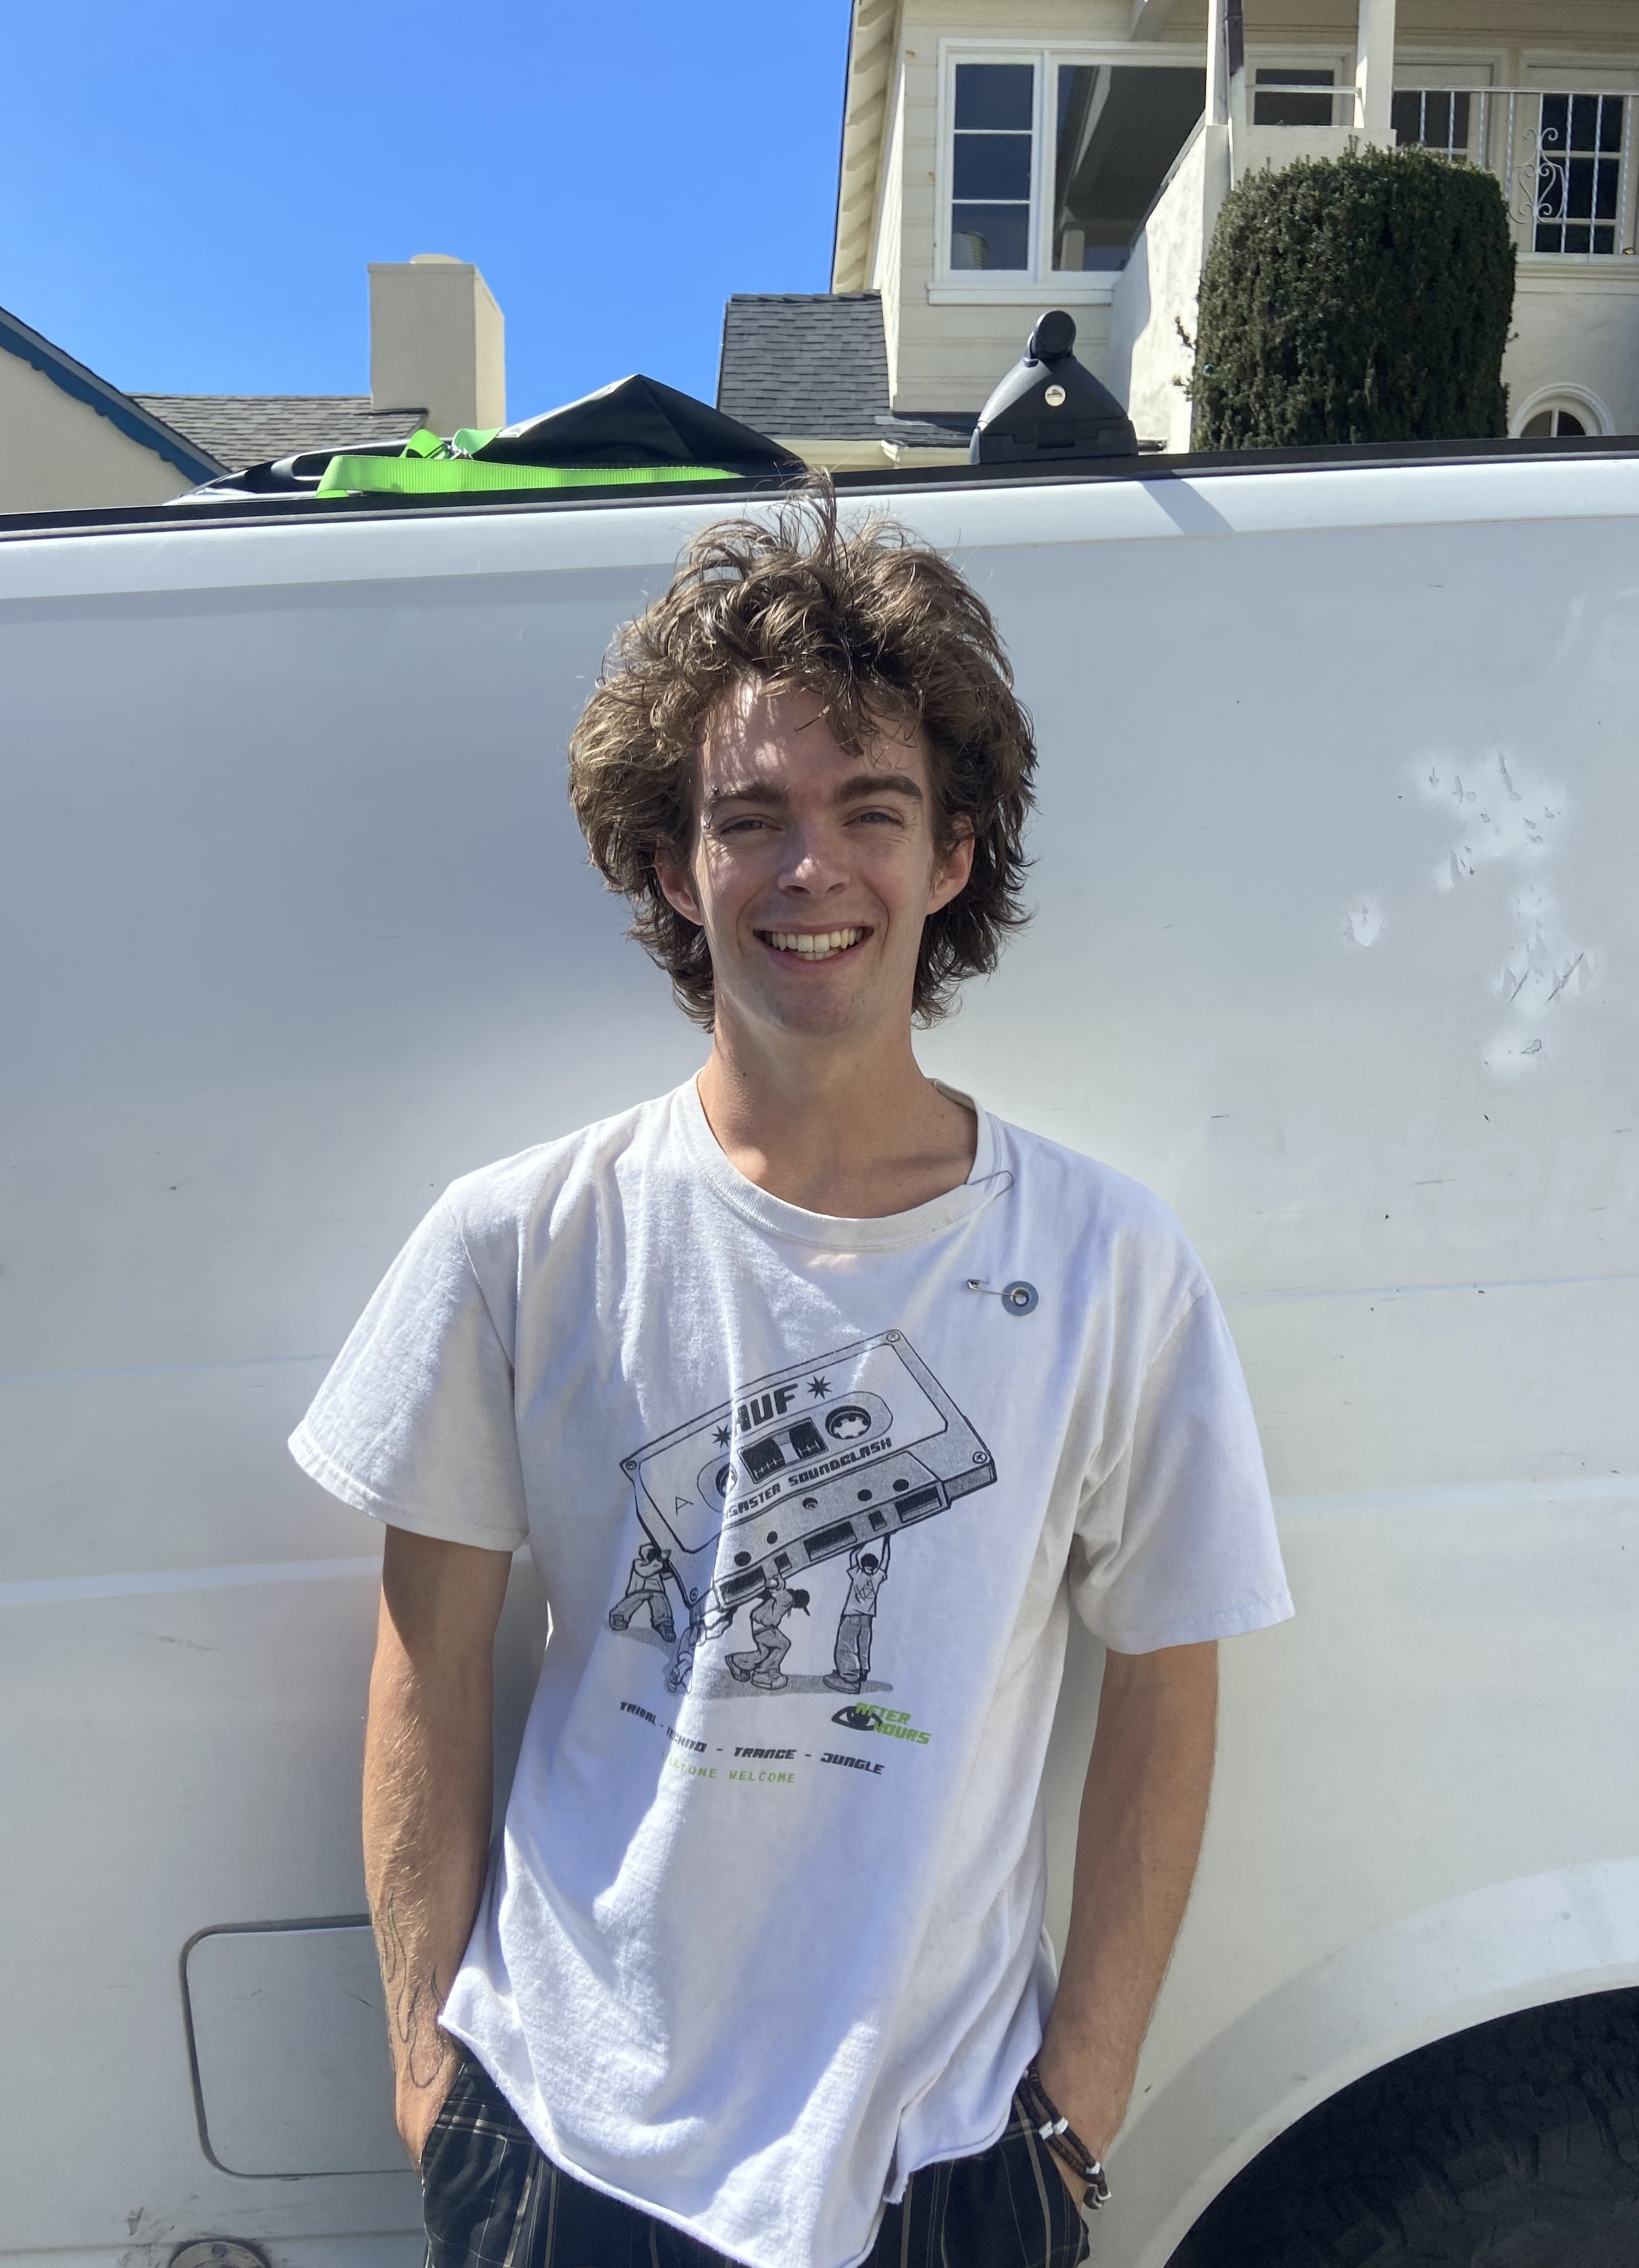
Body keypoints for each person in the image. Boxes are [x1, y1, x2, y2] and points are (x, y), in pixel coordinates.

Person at [289, 489, 1293, 2268]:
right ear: (676, 867)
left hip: (947, 2154)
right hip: (570, 2142)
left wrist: (1080, 2107)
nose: (809, 870)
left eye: (870, 811)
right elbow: (424, 1657)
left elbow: (1169, 1675)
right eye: (749, 818)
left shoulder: (1106, 1261)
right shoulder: (523, 1239)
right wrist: (428, 2076)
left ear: (954, 855)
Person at [825, 1536, 890, 1693]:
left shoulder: (858, 1574)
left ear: (863, 1564)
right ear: (874, 1566)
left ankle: (849, 1678)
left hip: (852, 1615)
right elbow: (886, 1560)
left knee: (846, 1646)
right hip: (867, 1619)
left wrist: (862, 1541)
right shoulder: (877, 1578)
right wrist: (887, 1540)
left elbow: (852, 1555)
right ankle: (863, 1671)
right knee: (863, 1645)